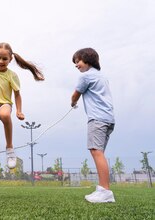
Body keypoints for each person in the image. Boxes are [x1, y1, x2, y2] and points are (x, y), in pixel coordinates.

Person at [71, 48, 115, 203]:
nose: (76, 65)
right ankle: (102, 189)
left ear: (87, 59)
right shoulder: (103, 77)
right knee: (99, 152)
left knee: (96, 152)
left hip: (97, 119)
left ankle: (105, 192)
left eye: (78, 61)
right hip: (109, 119)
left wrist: (73, 102)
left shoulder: (85, 77)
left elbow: (76, 94)